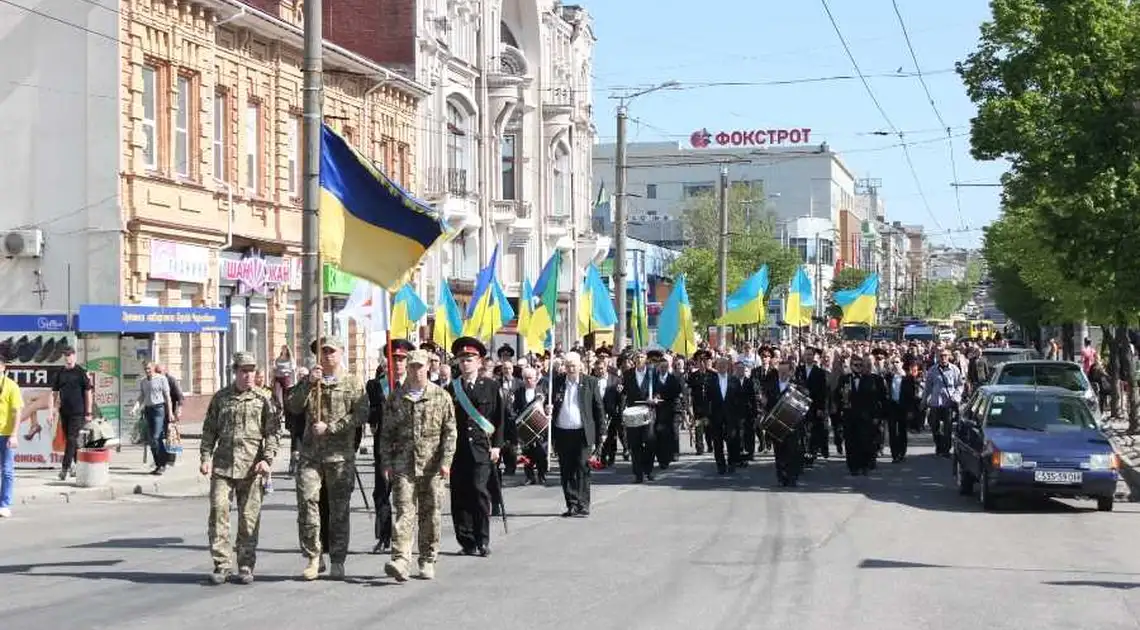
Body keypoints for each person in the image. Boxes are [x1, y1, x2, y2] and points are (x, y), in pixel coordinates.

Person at [287, 337, 369, 580]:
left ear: (341, 352)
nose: (327, 356)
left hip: (340, 457)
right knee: (307, 503)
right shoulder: (312, 381)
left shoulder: (353, 383)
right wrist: (308, 384)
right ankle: (314, 556)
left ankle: (338, 559)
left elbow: (361, 415)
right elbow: (293, 406)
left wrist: (331, 427)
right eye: (322, 352)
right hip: (311, 454)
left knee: (339, 510)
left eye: (331, 351)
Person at [199, 352, 280, 585]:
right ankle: (222, 564)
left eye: (251, 371)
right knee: (219, 512)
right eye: (243, 371)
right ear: (235, 371)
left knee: (248, 518)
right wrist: (205, 457)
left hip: (252, 468)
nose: (248, 375)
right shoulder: (221, 398)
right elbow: (209, 430)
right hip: (223, 467)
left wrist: (267, 459)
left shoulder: (263, 399)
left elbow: (273, 432)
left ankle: (245, 564)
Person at [379, 349, 457, 582]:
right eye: (412, 366)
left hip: (432, 465)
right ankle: (401, 559)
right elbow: (386, 433)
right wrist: (386, 462)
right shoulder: (396, 397)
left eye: (420, 366)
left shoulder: (441, 396)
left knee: (430, 512)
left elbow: (450, 432)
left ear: (428, 368)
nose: (416, 371)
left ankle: (427, 558)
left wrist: (446, 461)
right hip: (403, 463)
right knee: (404, 511)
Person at [446, 336, 504, 557]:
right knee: (459, 496)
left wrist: (497, 446)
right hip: (457, 450)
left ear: (479, 362)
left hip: (482, 448)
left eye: (470, 358)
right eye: (462, 359)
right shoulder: (451, 388)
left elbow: (500, 419)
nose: (466, 362)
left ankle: (482, 540)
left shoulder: (490, 386)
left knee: (479, 493)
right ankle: (466, 541)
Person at [367, 338, 414, 554]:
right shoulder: (376, 384)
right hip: (383, 447)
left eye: (402, 359)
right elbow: (371, 413)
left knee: (406, 494)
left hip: (406, 447)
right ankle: (384, 536)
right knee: (382, 492)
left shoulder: (414, 385)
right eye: (394, 359)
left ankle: (404, 537)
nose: (397, 363)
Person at [548, 352, 605, 517]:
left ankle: (583, 503)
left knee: (582, 466)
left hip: (583, 432)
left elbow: (598, 408)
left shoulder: (590, 382)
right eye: (567, 365)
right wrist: (548, 408)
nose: (571, 368)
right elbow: (549, 403)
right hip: (563, 432)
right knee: (566, 469)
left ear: (580, 366)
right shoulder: (557, 382)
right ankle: (571, 503)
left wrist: (602, 431)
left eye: (573, 365)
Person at [50, 346, 92, 480]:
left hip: (78, 412)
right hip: (65, 412)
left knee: (71, 439)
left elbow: (88, 393)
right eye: (66, 355)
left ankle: (65, 468)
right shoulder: (60, 373)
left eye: (70, 355)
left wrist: (89, 412)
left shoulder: (81, 372)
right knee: (71, 441)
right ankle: (79, 466)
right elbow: (54, 393)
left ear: (74, 356)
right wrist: (51, 411)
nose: (68, 358)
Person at [0, 358, 22, 518]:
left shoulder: (11, 386)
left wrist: (14, 434)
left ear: (3, 367)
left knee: (7, 470)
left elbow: (17, 412)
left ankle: (4, 504)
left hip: (6, 434)